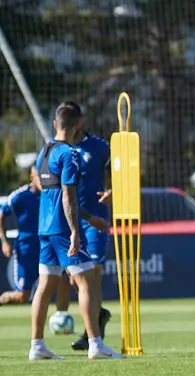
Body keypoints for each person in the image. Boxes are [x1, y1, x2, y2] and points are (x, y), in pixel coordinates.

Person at [29, 101, 123, 361]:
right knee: (86, 282)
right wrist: (75, 231)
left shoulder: (44, 152)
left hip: (44, 227)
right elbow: (68, 195)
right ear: (77, 124)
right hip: (62, 227)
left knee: (45, 286)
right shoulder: (69, 154)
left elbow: (47, 189)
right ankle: (95, 344)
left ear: (55, 124)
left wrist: (88, 218)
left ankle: (36, 345)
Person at [66, 127, 113, 350]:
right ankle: (98, 314)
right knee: (74, 278)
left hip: (96, 217)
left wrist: (115, 189)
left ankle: (91, 332)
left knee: (93, 272)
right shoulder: (59, 148)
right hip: (69, 219)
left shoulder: (99, 146)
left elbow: (123, 170)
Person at [0, 169, 41, 305]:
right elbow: (1, 214)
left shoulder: (50, 194)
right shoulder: (20, 196)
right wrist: (4, 241)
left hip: (47, 247)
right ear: (32, 177)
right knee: (22, 295)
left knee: (58, 283)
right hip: (26, 249)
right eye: (39, 176)